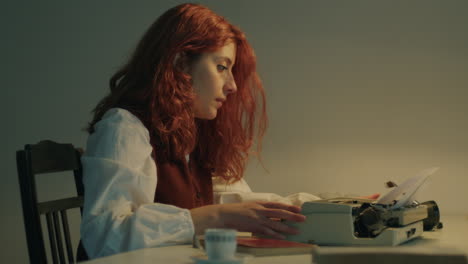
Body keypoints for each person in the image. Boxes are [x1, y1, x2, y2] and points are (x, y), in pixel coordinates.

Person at [78, 3, 307, 260]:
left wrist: (315, 205)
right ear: (180, 63)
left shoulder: (186, 132)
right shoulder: (123, 127)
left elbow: (233, 200)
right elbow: (105, 236)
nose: (232, 85)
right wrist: (215, 216)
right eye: (222, 67)